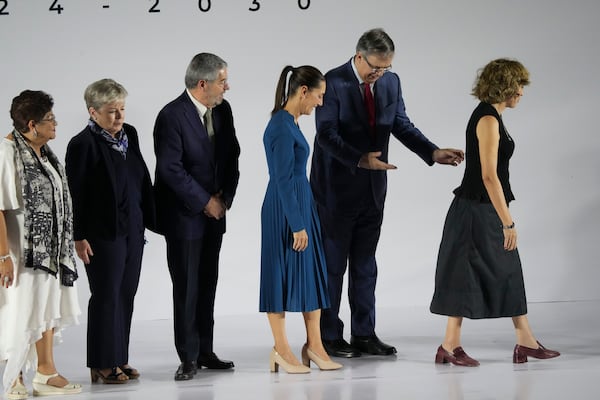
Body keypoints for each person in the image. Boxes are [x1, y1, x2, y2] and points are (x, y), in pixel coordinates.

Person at [310, 28, 464, 358]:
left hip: (373, 189)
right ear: (359, 56)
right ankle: (327, 336)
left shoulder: (391, 83)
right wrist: (359, 159)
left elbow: (401, 124)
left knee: (366, 265)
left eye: (386, 68)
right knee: (333, 266)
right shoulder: (332, 81)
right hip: (335, 190)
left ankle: (364, 334)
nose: (379, 74)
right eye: (375, 68)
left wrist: (432, 152)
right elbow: (325, 134)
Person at [429, 58, 560, 366]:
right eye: (519, 85)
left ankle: (522, 340)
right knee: (466, 273)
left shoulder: (492, 117)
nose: (522, 92)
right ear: (503, 85)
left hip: (480, 208)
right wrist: (508, 222)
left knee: (506, 269)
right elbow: (490, 176)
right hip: (476, 210)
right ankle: (451, 346)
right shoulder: (487, 119)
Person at [153, 52, 240, 381]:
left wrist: (225, 197)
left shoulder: (223, 110)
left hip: (215, 214)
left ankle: (205, 350)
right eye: (222, 81)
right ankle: (187, 357)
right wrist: (205, 201)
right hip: (185, 217)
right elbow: (170, 170)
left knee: (208, 284)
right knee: (187, 287)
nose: (227, 87)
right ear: (202, 84)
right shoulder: (171, 116)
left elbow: (232, 153)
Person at [65, 79, 156, 383]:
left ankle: (119, 356)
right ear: (93, 112)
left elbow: (140, 177)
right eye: (111, 111)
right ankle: (102, 363)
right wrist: (78, 236)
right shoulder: (82, 145)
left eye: (122, 110)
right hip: (102, 234)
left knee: (126, 294)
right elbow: (75, 194)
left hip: (132, 229)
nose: (119, 117)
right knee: (106, 295)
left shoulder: (129, 134)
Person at [260, 65, 342, 374]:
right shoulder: (281, 126)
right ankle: (281, 349)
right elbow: (281, 179)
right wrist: (297, 224)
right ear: (303, 91)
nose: (320, 103)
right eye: (319, 96)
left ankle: (315, 346)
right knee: (278, 275)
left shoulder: (292, 122)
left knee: (313, 275)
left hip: (300, 204)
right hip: (284, 209)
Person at [0, 90, 82, 398]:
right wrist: (3, 257)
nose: (56, 124)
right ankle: (15, 377)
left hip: (48, 252)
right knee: (20, 310)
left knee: (45, 308)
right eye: (50, 119)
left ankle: (46, 373)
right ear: (32, 125)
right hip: (21, 253)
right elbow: (0, 207)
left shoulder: (44, 153)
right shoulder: (7, 153)